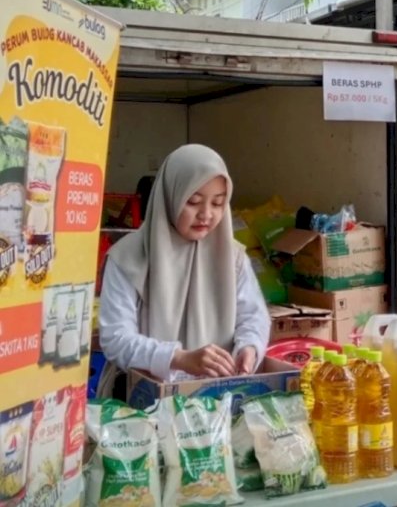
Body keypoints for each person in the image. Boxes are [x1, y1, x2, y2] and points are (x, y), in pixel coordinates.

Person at [98, 144, 271, 393]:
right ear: (170, 197)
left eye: (218, 203)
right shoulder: (128, 258)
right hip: (141, 398)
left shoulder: (232, 257)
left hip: (215, 396)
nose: (206, 214)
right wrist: (179, 358)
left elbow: (254, 317)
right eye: (193, 201)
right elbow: (116, 339)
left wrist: (249, 348)